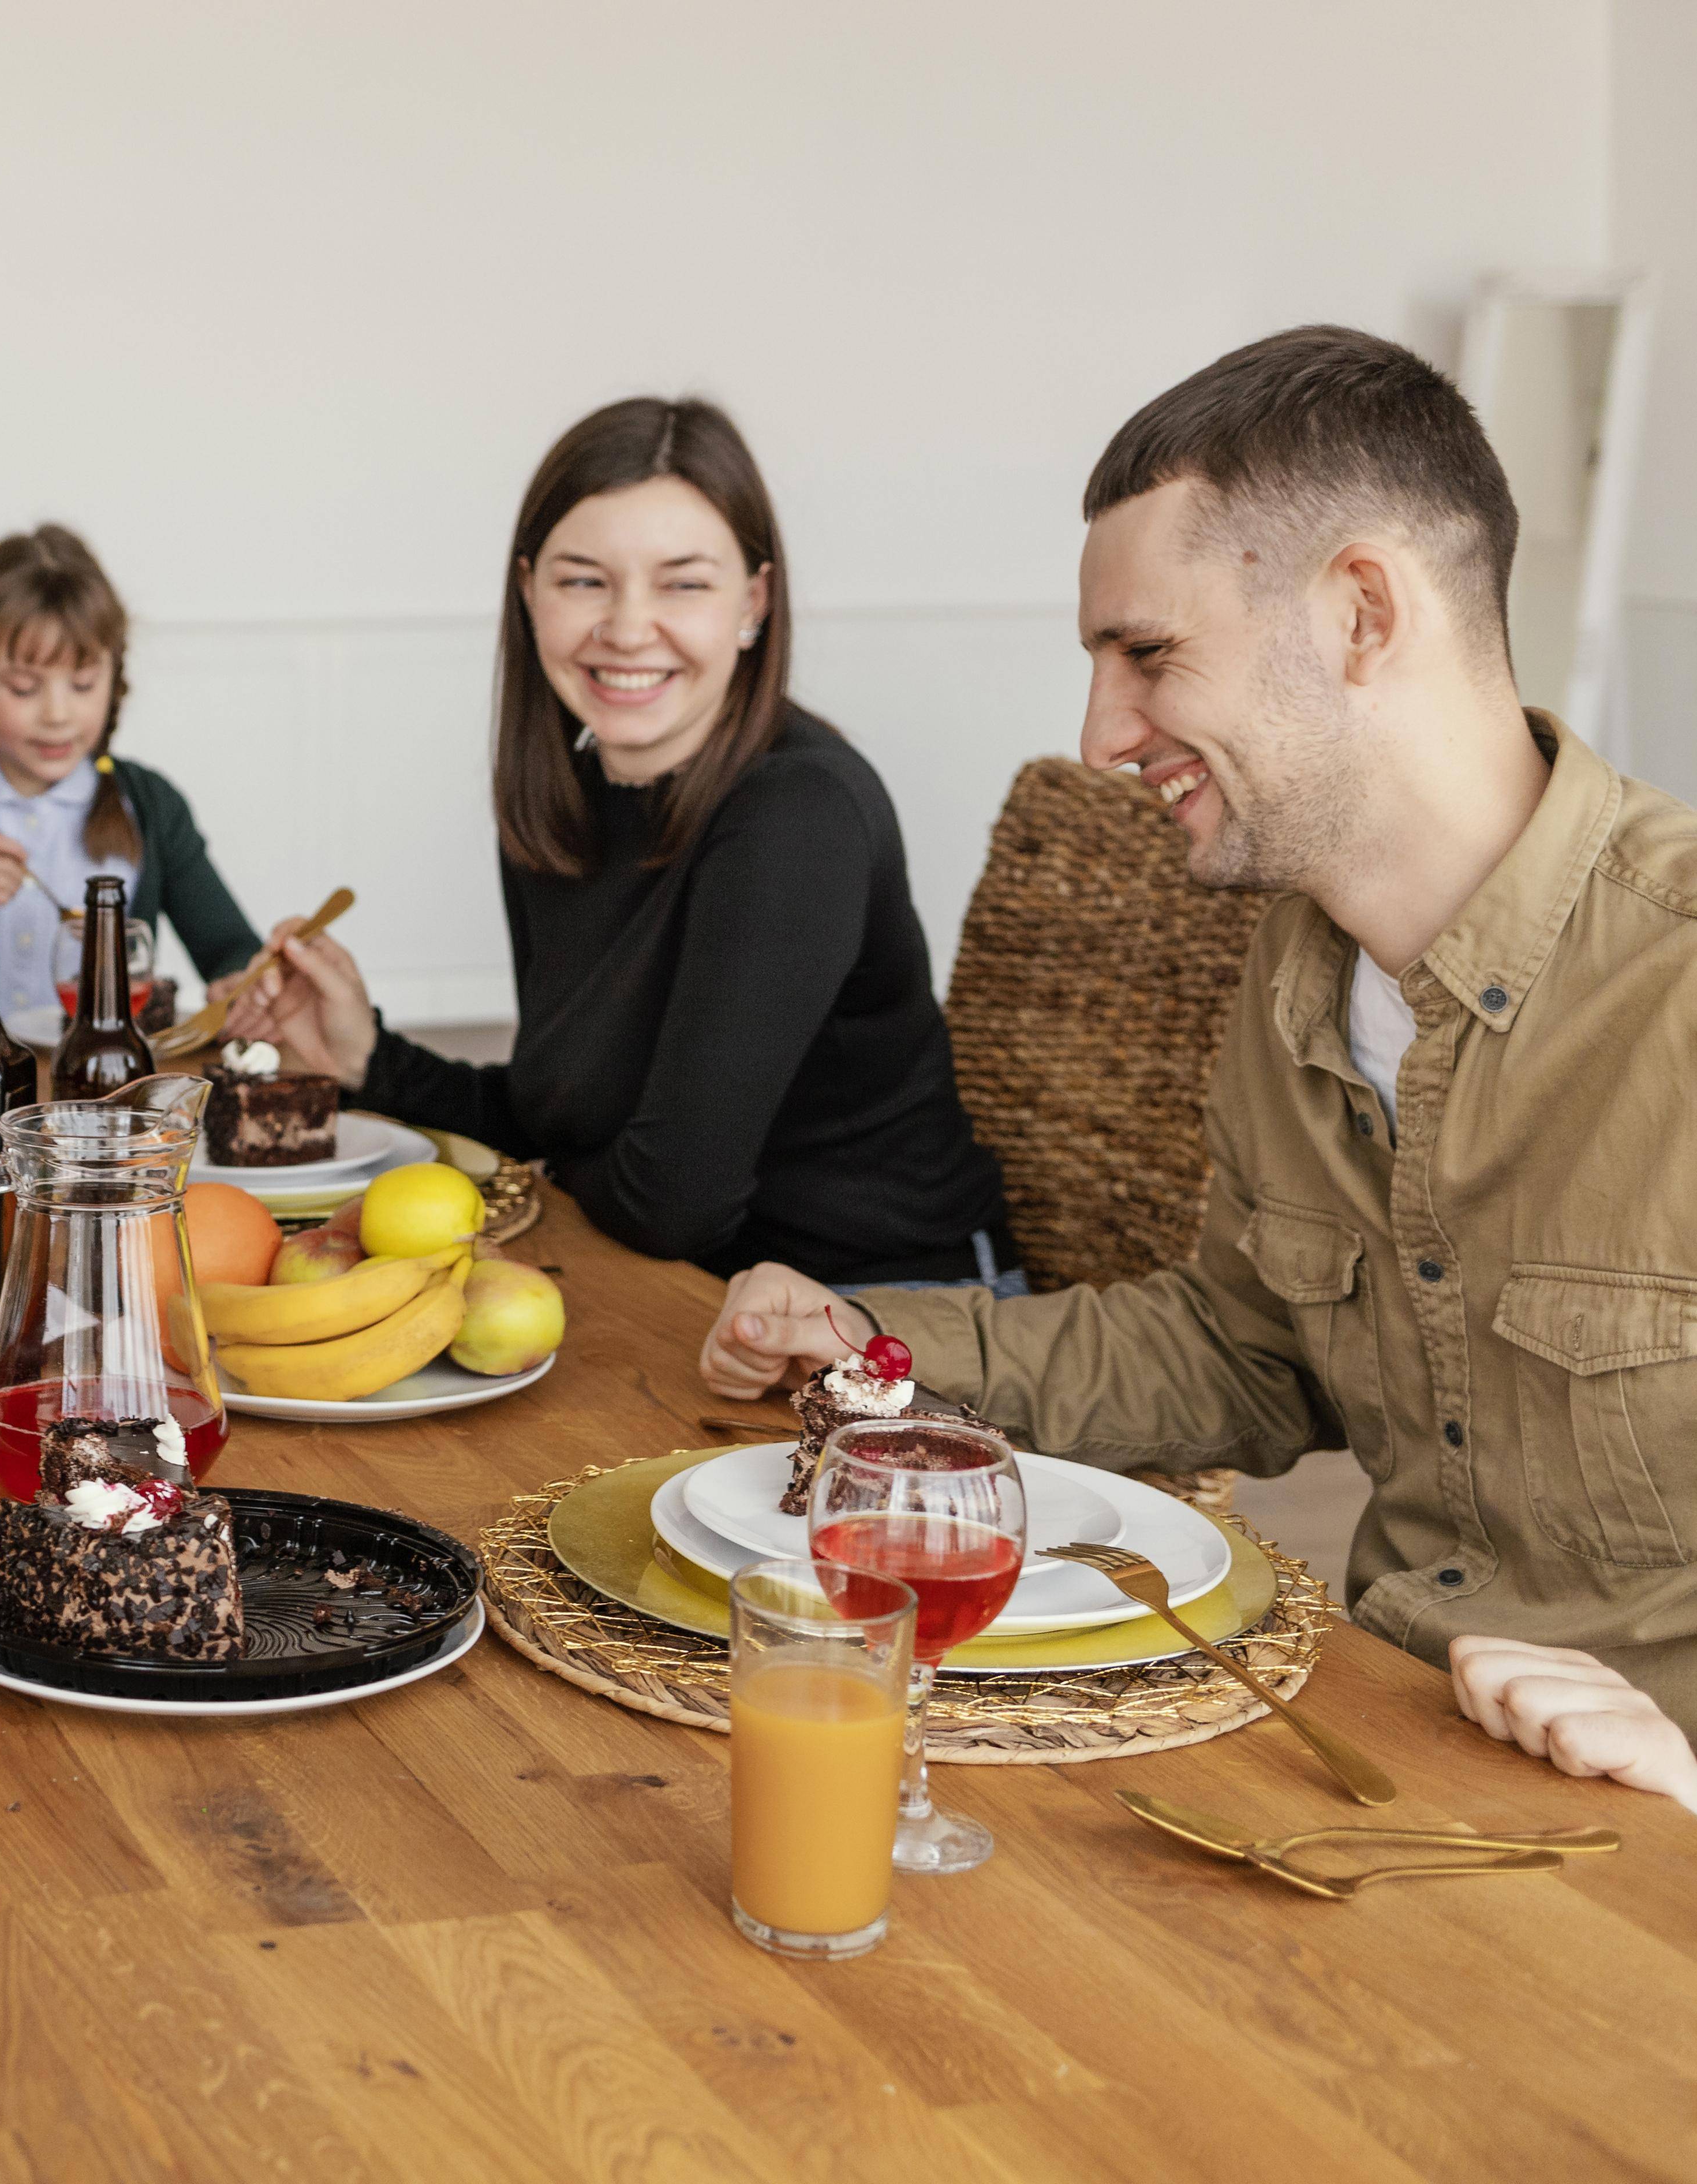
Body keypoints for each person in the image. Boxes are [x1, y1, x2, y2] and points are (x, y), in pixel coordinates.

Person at [697, 326, 1697, 1809]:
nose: (1100, 735)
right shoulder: (1294, 968)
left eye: (1147, 654)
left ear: (1361, 610)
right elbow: (1238, 1353)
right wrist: (871, 1347)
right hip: (1373, 1761)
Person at [229, 400, 1016, 1289]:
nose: (629, 626)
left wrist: (546, 1179)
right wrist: (361, 1056)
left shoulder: (798, 813)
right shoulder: (563, 799)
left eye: (683, 582)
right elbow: (560, 1114)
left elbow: (669, 1198)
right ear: (529, 593)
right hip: (678, 1286)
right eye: (582, 581)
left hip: (881, 1308)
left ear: (752, 602)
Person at [0, 524, 262, 1025]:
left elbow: (230, 949)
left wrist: (244, 985)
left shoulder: (148, 805)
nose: (57, 714)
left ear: (113, 676)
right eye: (23, 688)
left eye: (82, 684)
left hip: (100, 1090)